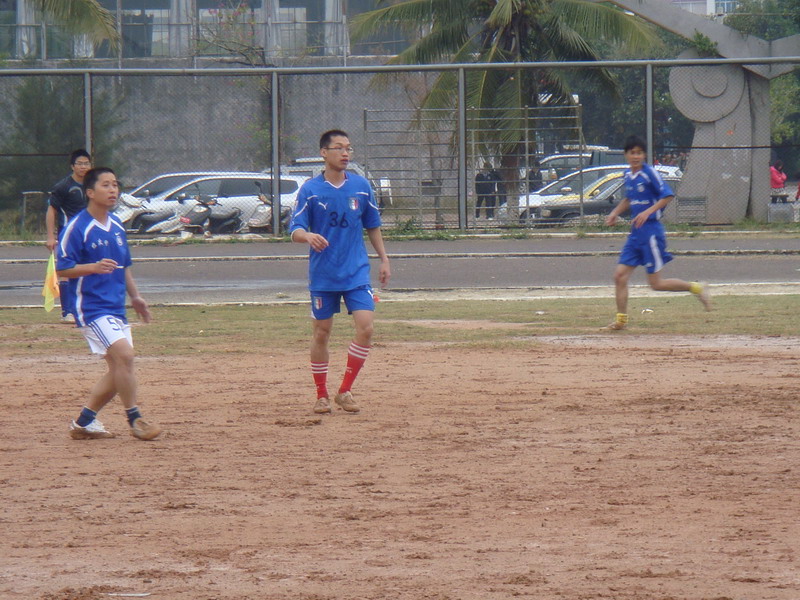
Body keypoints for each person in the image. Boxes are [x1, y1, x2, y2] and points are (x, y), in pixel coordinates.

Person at [289, 130, 391, 415]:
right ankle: (321, 394)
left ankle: (344, 390)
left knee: (366, 328)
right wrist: (307, 236)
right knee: (322, 333)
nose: (345, 153)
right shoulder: (310, 189)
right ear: (324, 153)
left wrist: (384, 259)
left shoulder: (361, 186)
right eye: (339, 148)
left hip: (356, 272)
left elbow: (372, 225)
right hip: (324, 274)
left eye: (349, 148)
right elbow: (294, 229)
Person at [56, 167, 162, 441]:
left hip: (115, 306)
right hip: (91, 308)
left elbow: (123, 266)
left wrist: (135, 297)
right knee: (125, 357)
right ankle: (135, 419)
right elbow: (61, 268)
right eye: (106, 185)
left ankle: (84, 422)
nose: (113, 190)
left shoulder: (116, 225)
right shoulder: (77, 227)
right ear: (90, 192)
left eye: (115, 184)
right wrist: (92, 267)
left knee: (119, 370)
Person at [603, 135, 711, 330]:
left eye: (639, 153)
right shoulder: (628, 175)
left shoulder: (649, 173)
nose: (636, 156)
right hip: (635, 234)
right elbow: (629, 198)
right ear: (626, 155)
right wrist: (614, 213)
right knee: (619, 276)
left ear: (644, 155)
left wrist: (648, 212)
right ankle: (621, 321)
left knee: (656, 284)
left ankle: (696, 288)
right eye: (632, 153)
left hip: (651, 233)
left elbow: (668, 195)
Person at [46, 149, 93, 323]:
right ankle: (67, 311)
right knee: (67, 270)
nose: (83, 167)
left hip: (89, 234)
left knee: (89, 269)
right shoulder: (63, 186)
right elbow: (51, 210)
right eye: (80, 163)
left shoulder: (93, 185)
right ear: (72, 166)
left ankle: (86, 308)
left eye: (86, 163)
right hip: (68, 234)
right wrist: (51, 236)